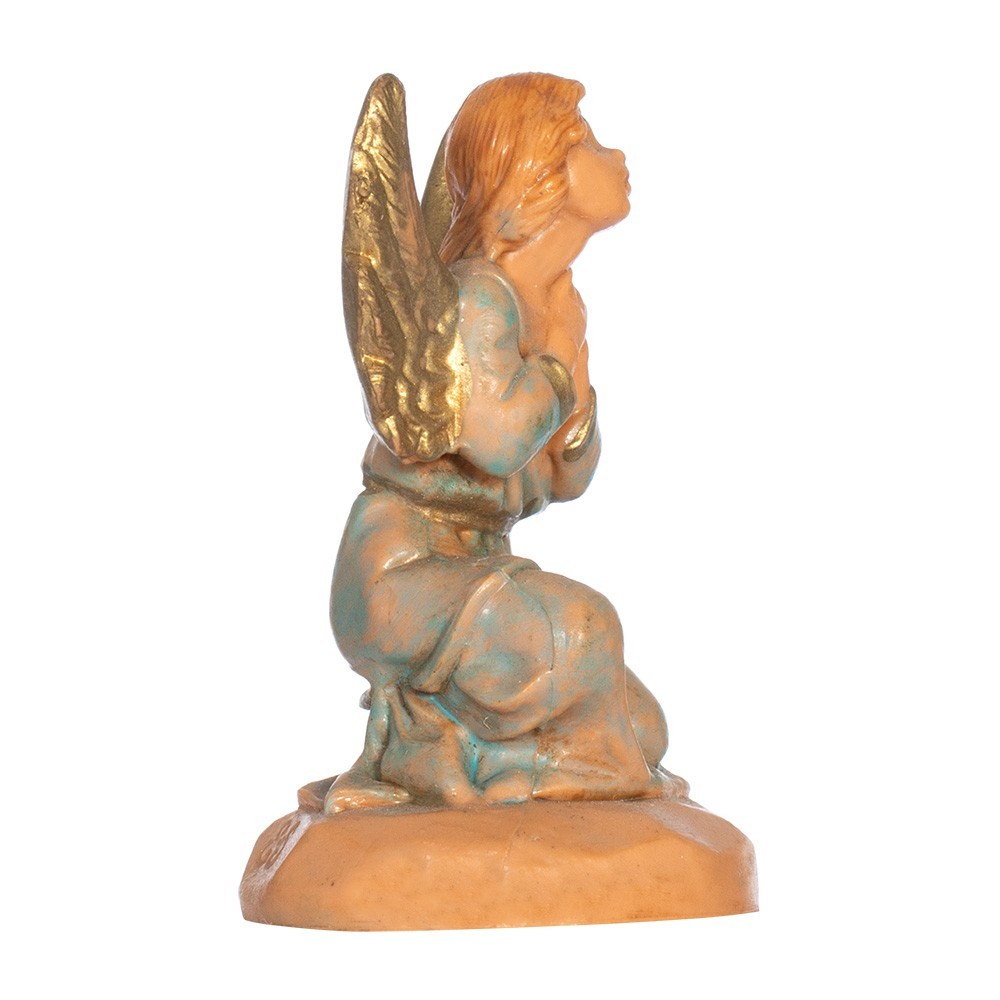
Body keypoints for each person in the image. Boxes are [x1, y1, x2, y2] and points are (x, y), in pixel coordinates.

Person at [326, 74, 676, 812]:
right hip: (404, 574)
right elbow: (500, 441)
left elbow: (568, 477)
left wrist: (573, 391)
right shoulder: (478, 296)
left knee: (643, 728)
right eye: (588, 142)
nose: (616, 156)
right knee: (586, 628)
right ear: (538, 171)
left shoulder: (554, 305)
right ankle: (499, 758)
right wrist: (559, 370)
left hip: (477, 571)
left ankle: (464, 754)